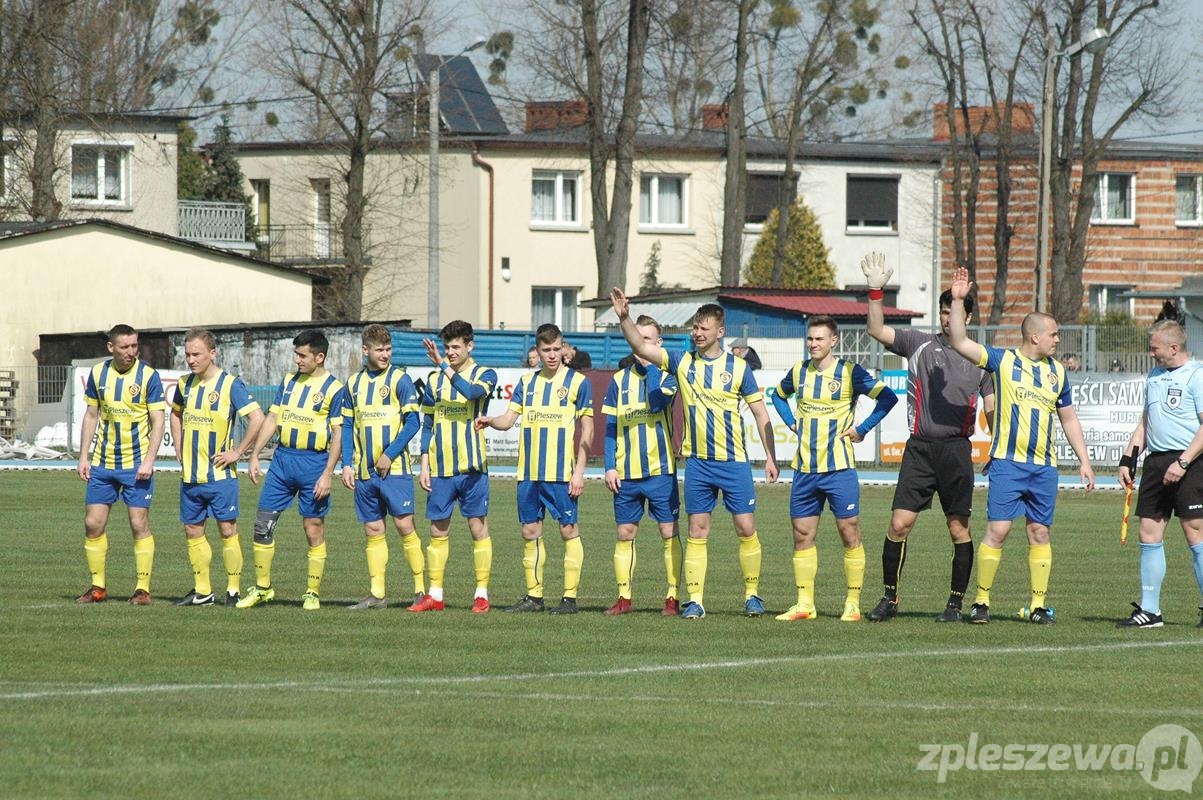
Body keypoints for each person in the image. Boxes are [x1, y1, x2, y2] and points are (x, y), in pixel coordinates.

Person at [610, 288, 779, 620]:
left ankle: (752, 595)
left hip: (734, 462)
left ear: (720, 332)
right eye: (695, 327)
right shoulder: (682, 362)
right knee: (697, 530)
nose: (697, 333)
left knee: (746, 528)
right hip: (698, 463)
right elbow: (639, 346)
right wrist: (624, 316)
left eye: (704, 328)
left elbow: (761, 415)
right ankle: (695, 601)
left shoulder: (739, 368)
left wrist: (771, 457)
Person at [947, 267, 1095, 624]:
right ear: (1034, 336)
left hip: (1044, 467)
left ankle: (1038, 605)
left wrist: (1084, 460)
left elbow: (1069, 418)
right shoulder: (1004, 360)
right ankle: (981, 602)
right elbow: (959, 341)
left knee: (1039, 531)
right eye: (1054, 334)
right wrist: (956, 300)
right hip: (1008, 463)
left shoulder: (1058, 373)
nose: (1058, 340)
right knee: (998, 530)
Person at [860, 252, 996, 623]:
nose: (946, 318)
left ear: (967, 317)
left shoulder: (981, 359)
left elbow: (992, 407)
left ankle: (955, 604)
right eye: (943, 310)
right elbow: (876, 330)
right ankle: (889, 598)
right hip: (919, 449)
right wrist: (875, 292)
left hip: (955, 450)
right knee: (899, 524)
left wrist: (998, 446)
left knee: (958, 528)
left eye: (953, 311)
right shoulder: (917, 343)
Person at [769, 315, 897, 622]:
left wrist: (862, 428)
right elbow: (777, 395)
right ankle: (804, 604)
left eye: (819, 339)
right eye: (810, 338)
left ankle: (852, 603)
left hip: (839, 468)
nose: (813, 344)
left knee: (848, 531)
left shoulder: (850, 373)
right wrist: (791, 422)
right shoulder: (799, 372)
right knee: (802, 535)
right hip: (804, 469)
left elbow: (888, 398)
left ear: (833, 341)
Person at [475, 323, 593, 614]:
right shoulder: (527, 384)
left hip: (561, 474)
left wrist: (579, 471)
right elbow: (509, 420)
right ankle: (534, 597)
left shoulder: (578, 382)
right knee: (530, 531)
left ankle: (569, 598)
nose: (552, 355)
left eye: (556, 349)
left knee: (568, 530)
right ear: (537, 351)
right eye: (546, 350)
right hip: (528, 473)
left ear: (564, 349)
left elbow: (587, 429)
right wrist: (490, 421)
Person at [240, 329, 346, 611]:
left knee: (313, 527)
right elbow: (273, 417)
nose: (297, 360)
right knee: (263, 525)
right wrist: (253, 456)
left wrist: (327, 474)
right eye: (296, 355)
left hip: (313, 464)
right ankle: (263, 588)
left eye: (302, 355)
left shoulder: (335, 389)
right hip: (282, 462)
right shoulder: (288, 381)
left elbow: (338, 434)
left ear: (319, 357)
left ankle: (312, 592)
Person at [1116, 319, 1203, 628]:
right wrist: (1128, 459)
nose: (1151, 353)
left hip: (1191, 462)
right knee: (1148, 533)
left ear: (1174, 347)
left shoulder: (1197, 375)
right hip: (1155, 462)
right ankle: (1150, 611)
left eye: (1154, 348)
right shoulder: (1154, 376)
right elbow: (1145, 422)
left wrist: (1182, 463)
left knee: (1195, 532)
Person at [170, 329, 265, 607]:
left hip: (220, 476)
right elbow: (175, 413)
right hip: (191, 475)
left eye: (196, 354)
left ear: (213, 353)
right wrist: (178, 444)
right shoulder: (184, 384)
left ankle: (233, 590)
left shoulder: (230, 384)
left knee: (227, 530)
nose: (190, 360)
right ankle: (203, 591)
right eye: (187, 354)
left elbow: (257, 418)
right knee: (192, 530)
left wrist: (238, 452)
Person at [76, 324, 166, 605]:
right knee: (93, 524)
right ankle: (97, 587)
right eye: (125, 347)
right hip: (103, 463)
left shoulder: (148, 376)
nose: (131, 352)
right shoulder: (98, 374)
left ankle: (142, 589)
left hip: (136, 464)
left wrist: (150, 460)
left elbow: (158, 420)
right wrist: (83, 456)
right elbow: (92, 415)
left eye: (134, 346)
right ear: (110, 347)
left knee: (139, 524)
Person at [601, 314, 682, 616]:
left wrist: (650, 366)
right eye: (638, 338)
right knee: (624, 534)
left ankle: (672, 597)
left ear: (658, 344)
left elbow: (657, 402)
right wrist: (610, 466)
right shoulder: (618, 381)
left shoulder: (668, 376)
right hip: (627, 474)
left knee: (668, 531)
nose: (641, 345)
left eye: (648, 340)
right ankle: (624, 598)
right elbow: (611, 427)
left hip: (660, 471)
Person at [339, 324, 425, 611]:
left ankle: (420, 591)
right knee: (373, 530)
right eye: (380, 350)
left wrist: (389, 454)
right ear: (366, 351)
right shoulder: (353, 384)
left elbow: (413, 422)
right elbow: (348, 424)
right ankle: (377, 595)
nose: (385, 354)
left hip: (396, 470)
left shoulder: (401, 380)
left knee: (404, 526)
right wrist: (347, 465)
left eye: (388, 349)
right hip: (365, 472)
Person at [417, 320, 498, 613]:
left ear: (469, 346)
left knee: (478, 527)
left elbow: (473, 394)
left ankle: (481, 594)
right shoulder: (434, 379)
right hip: (440, 468)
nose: (450, 352)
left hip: (472, 467)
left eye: (455, 347)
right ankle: (435, 596)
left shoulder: (485, 374)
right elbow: (427, 422)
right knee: (438, 531)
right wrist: (424, 462)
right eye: (447, 347)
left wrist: (443, 366)